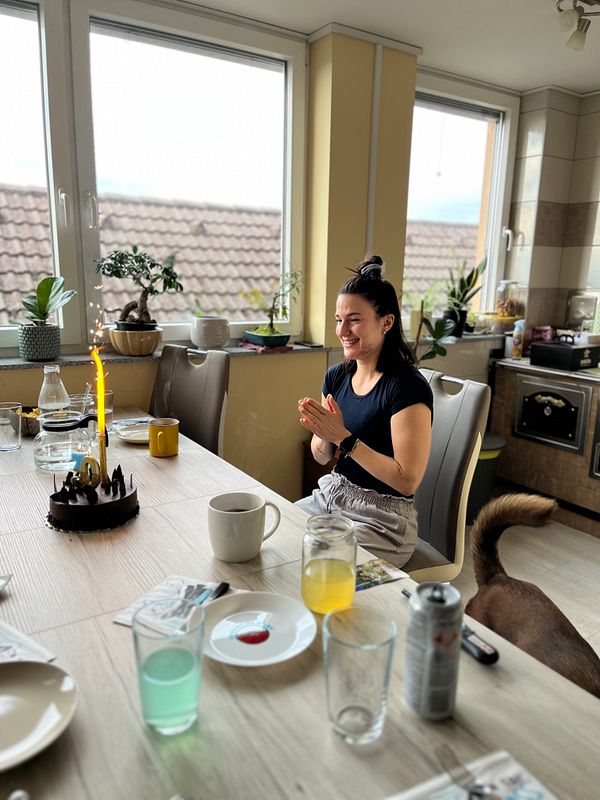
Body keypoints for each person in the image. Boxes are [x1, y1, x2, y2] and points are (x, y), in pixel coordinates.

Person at [296, 255, 433, 568]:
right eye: (338, 319)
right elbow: (320, 456)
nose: (343, 330)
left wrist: (343, 438)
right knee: (276, 539)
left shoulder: (407, 386)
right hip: (332, 498)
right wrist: (323, 432)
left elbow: (407, 480)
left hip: (383, 521)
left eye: (354, 319)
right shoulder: (337, 376)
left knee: (312, 564)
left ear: (386, 322)